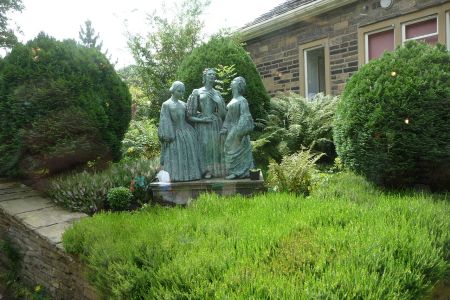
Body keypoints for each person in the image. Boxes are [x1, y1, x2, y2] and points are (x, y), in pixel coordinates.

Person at [187, 68, 227, 179]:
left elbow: (223, 114)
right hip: (202, 125)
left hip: (215, 123)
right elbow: (190, 115)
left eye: (214, 74)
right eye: (210, 74)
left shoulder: (217, 93)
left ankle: (214, 170)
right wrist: (202, 120)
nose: (212, 76)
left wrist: (218, 102)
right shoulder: (197, 92)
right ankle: (204, 170)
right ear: (204, 77)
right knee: (204, 146)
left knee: (214, 147)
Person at [158, 81, 202, 182]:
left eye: (182, 91)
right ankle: (176, 176)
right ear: (173, 90)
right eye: (179, 91)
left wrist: (203, 119)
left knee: (189, 157)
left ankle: (191, 175)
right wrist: (168, 135)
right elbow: (164, 121)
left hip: (187, 133)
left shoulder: (184, 104)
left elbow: (191, 116)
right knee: (175, 156)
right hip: (174, 134)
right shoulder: (166, 104)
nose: (181, 93)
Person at [220, 76, 255, 179]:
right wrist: (224, 128)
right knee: (228, 148)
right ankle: (234, 171)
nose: (231, 82)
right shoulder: (233, 100)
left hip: (239, 129)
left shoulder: (242, 100)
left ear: (239, 85)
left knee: (237, 150)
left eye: (234, 81)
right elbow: (228, 117)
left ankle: (238, 172)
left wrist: (240, 131)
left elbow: (245, 116)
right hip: (231, 128)